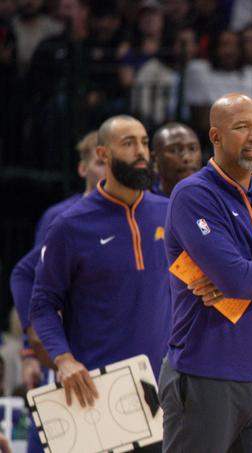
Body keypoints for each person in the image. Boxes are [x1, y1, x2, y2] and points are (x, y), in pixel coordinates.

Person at [159, 93, 252, 453]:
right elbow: (236, 279)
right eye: (241, 127)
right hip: (205, 372)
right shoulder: (193, 195)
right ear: (216, 136)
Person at [30, 116, 171, 430]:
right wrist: (63, 359)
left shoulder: (170, 213)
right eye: (128, 143)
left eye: (145, 143)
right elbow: (42, 304)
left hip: (162, 388)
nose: (140, 152)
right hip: (95, 389)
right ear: (103, 155)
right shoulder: (70, 225)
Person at [9, 130, 104, 453]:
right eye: (99, 161)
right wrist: (30, 347)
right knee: (57, 437)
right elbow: (32, 281)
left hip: (119, 349)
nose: (107, 168)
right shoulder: (62, 217)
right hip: (69, 349)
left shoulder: (141, 211)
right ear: (83, 168)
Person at [150, 122, 202, 197]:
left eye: (192, 148)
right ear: (155, 160)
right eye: (174, 150)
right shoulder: (145, 203)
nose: (186, 158)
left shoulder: (213, 198)